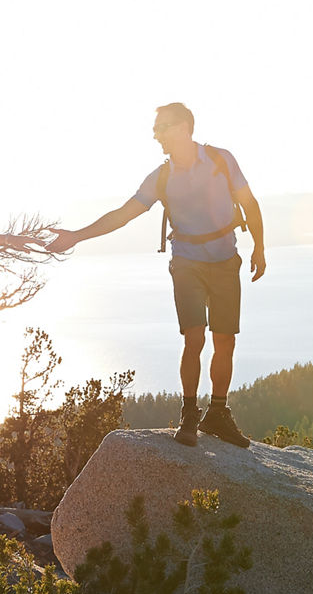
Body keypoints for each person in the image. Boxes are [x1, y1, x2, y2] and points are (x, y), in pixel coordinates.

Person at [48, 103, 265, 448]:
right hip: (187, 262)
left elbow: (250, 203)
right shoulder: (161, 177)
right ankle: (190, 414)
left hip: (225, 259)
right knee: (194, 338)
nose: (155, 134)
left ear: (183, 128)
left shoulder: (221, 160)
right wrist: (76, 236)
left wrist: (260, 248)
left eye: (161, 127)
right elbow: (122, 215)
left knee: (226, 340)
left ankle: (218, 414)